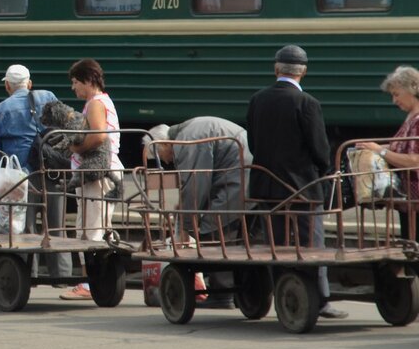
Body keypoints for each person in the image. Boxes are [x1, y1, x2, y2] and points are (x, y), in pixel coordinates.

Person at [246, 44, 346, 319]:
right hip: (303, 189)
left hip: (267, 188)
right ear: (304, 72)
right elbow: (320, 149)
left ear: (276, 69)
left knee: (276, 246)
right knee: (312, 245)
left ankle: (284, 297)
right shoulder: (307, 103)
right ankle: (320, 299)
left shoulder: (257, 99)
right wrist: (322, 171)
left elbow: (253, 143)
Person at [144, 117, 251, 308]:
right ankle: (239, 288)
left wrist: (185, 226)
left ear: (165, 144)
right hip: (241, 170)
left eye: (164, 157)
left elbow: (195, 185)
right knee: (228, 228)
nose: (168, 162)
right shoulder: (189, 132)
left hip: (238, 176)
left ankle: (222, 293)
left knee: (213, 227)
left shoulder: (187, 140)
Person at [0, 64, 70, 278]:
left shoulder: (2, 109)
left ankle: (27, 275)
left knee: (25, 227)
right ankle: (62, 276)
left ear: (7, 85)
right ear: (30, 83)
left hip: (21, 176)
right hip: (52, 169)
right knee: (57, 226)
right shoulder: (49, 96)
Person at [60, 59, 122, 300]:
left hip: (97, 176)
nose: (73, 88)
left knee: (91, 230)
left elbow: (98, 136)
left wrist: (76, 148)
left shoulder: (95, 103)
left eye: (76, 82)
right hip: (102, 174)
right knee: (93, 228)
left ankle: (88, 285)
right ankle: (94, 283)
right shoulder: (101, 102)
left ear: (87, 81)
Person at [355, 65, 419, 241]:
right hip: (410, 200)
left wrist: (379, 150)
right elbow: (401, 147)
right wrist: (371, 147)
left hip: (416, 200)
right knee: (409, 245)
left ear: (413, 88)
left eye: (397, 94)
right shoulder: (411, 117)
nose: (394, 100)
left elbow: (415, 161)